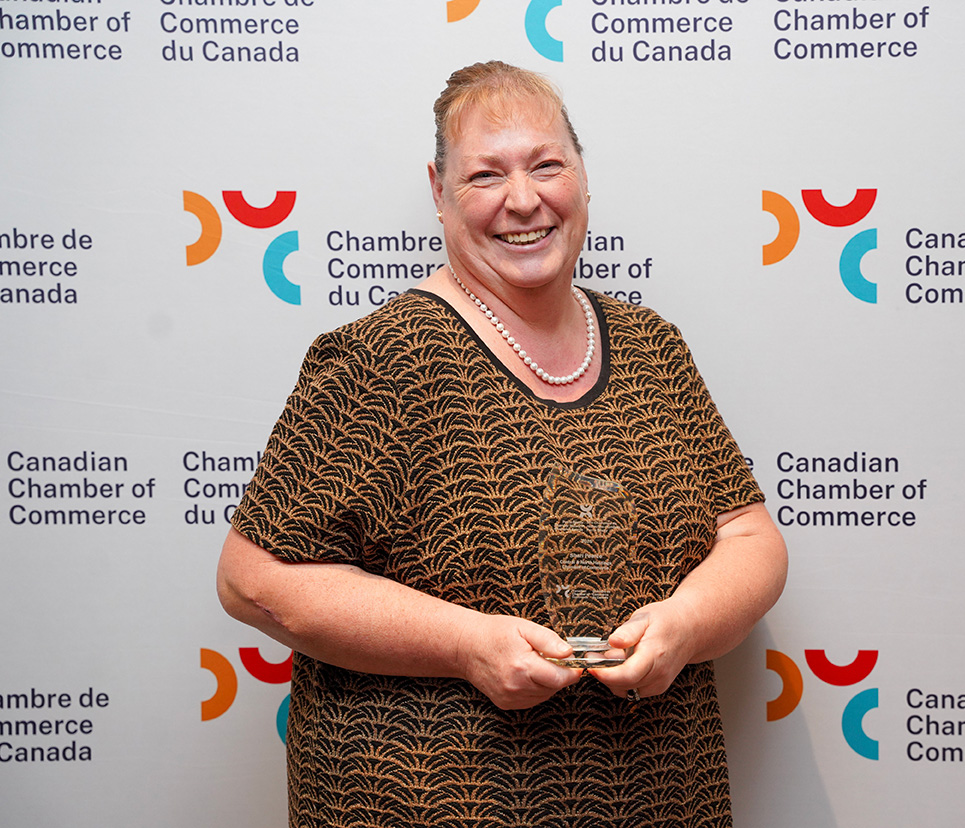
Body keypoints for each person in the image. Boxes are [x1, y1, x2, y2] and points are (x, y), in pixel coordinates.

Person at [217, 60, 787, 828]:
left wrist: (687, 623)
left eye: (546, 165)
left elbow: (749, 538)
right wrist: (466, 644)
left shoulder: (653, 346)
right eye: (486, 175)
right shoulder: (383, 357)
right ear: (440, 192)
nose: (523, 199)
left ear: (583, 176)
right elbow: (252, 581)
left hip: (658, 798)